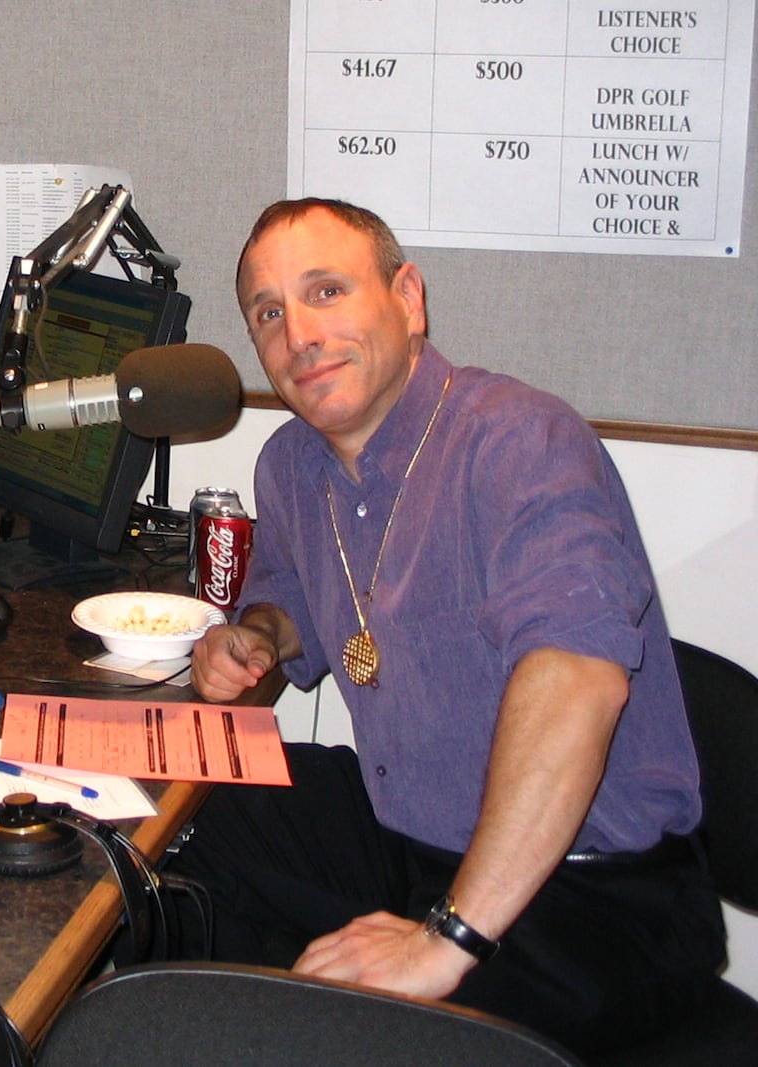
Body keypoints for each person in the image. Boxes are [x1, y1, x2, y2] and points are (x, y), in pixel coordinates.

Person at [166, 198, 725, 1054]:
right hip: (416, 839)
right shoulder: (292, 463)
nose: (300, 335)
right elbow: (291, 592)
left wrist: (445, 940)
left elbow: (579, 676)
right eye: (269, 312)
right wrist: (262, 633)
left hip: (594, 896)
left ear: (410, 298)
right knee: (178, 824)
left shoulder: (519, 441)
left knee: (360, 1037)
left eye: (327, 291)